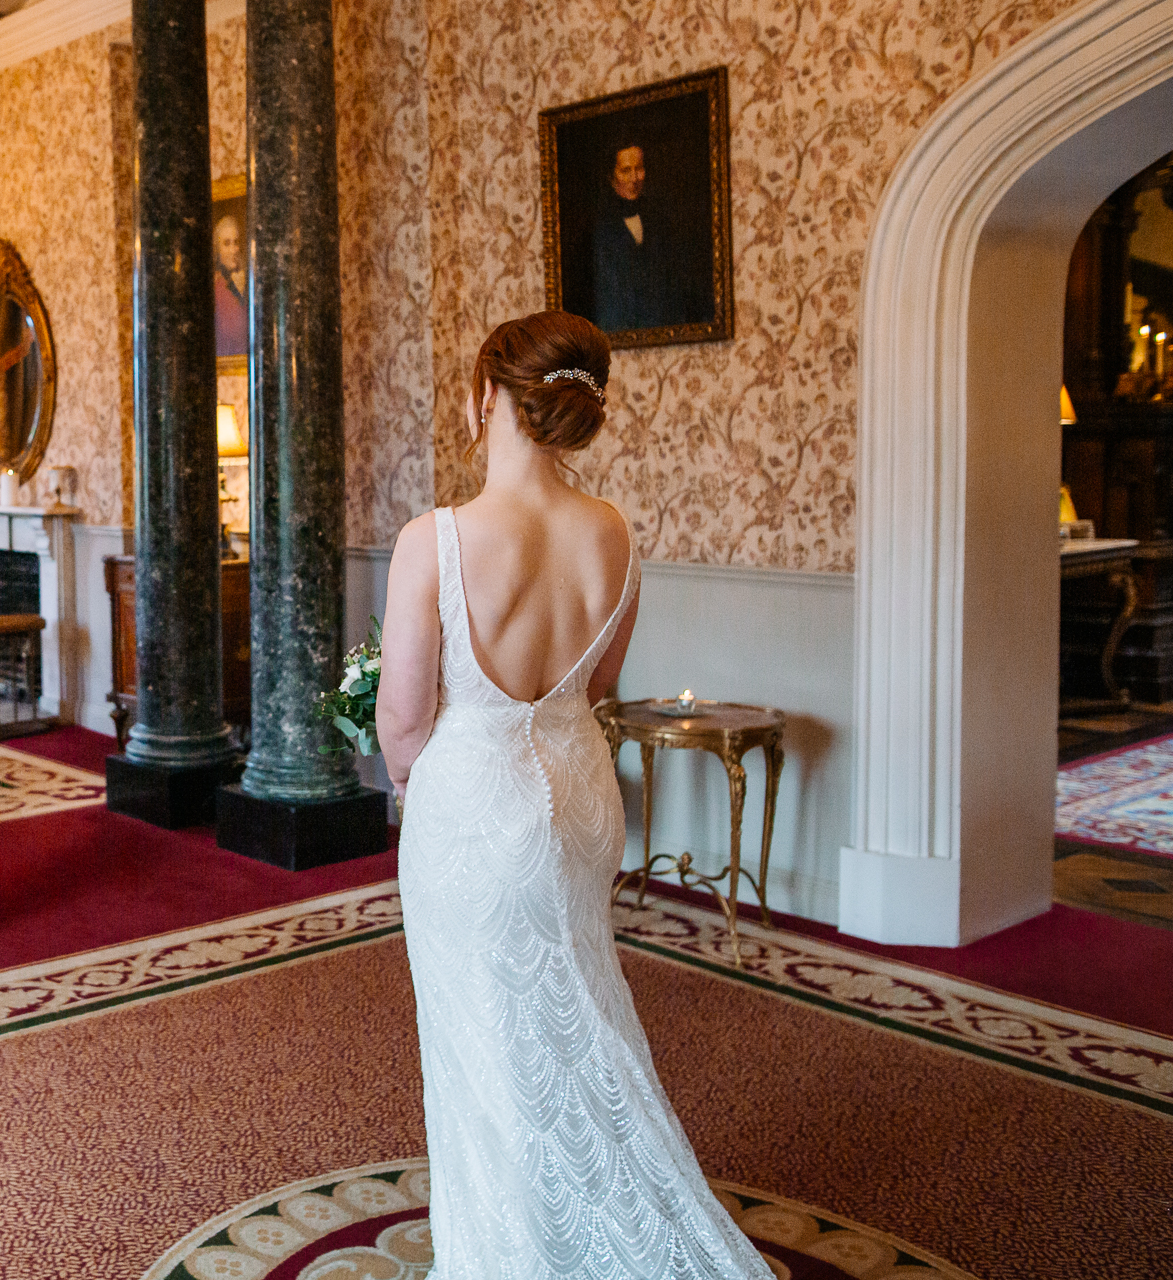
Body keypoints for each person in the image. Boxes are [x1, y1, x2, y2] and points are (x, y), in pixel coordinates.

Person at [375, 311, 773, 1278]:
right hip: (583, 799)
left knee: (487, 1047)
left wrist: (426, 788)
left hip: (472, 801)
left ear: (487, 398)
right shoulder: (613, 533)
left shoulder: (435, 540)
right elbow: (594, 690)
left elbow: (400, 722)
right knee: (579, 1010)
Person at [588, 142, 703, 334]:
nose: (634, 178)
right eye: (625, 171)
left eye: (639, 169)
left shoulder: (661, 220)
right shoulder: (600, 228)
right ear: (611, 177)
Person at [213, 213, 248, 359]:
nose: (234, 250)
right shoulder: (214, 290)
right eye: (227, 244)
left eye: (236, 242)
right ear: (217, 250)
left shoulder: (248, 285)